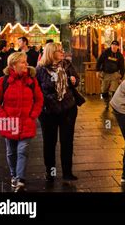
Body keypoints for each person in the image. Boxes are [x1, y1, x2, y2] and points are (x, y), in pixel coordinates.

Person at [0, 52, 44, 192]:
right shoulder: (3, 81)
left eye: (25, 61)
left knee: (23, 151)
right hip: (10, 123)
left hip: (26, 122)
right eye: (22, 62)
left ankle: (20, 179)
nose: (25, 64)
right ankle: (13, 175)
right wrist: (3, 117)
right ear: (13, 65)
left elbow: (39, 100)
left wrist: (32, 115)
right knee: (11, 152)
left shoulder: (32, 81)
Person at [36, 43, 80, 182]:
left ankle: (67, 172)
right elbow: (36, 91)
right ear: (50, 53)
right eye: (59, 51)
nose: (62, 52)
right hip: (48, 111)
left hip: (68, 108)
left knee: (67, 141)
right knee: (50, 142)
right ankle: (51, 172)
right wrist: (47, 101)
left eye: (62, 50)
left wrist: (74, 81)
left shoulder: (67, 65)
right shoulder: (40, 69)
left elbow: (76, 80)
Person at [96, 40, 125, 109]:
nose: (114, 46)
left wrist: (121, 78)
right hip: (105, 74)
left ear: (118, 47)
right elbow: (99, 61)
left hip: (114, 75)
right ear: (111, 46)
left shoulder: (119, 56)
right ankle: (106, 102)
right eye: (113, 45)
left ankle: (114, 104)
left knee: (114, 91)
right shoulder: (106, 52)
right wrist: (97, 71)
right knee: (103, 91)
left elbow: (122, 67)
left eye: (115, 45)